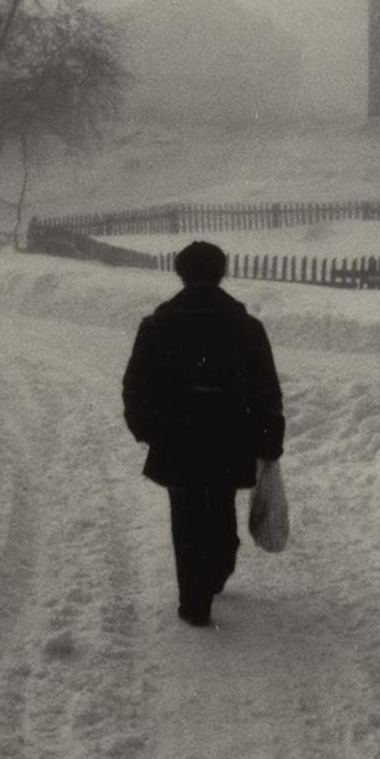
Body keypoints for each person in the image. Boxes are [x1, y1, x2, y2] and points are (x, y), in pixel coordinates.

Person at [119, 240, 284, 627]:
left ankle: (194, 599)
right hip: (230, 435)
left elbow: (135, 385)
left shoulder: (157, 325)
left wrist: (146, 429)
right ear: (221, 273)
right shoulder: (246, 326)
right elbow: (266, 389)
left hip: (176, 437)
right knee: (221, 507)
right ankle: (218, 568)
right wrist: (269, 438)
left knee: (186, 515)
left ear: (181, 274)